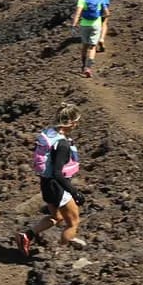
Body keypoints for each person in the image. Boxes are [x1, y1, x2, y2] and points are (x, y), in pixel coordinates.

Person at [19, 105, 86, 254]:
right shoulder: (62, 144)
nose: (77, 125)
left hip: (46, 184)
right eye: (76, 121)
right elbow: (57, 173)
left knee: (58, 216)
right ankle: (60, 254)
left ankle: (27, 235)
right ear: (69, 123)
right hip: (57, 187)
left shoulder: (49, 133)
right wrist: (75, 193)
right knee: (73, 223)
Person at [70, 0, 111, 77]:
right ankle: (89, 68)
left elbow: (77, 13)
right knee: (92, 47)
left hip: (84, 25)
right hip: (96, 25)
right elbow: (107, 13)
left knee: (84, 46)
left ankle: (83, 66)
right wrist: (102, 18)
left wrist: (73, 25)